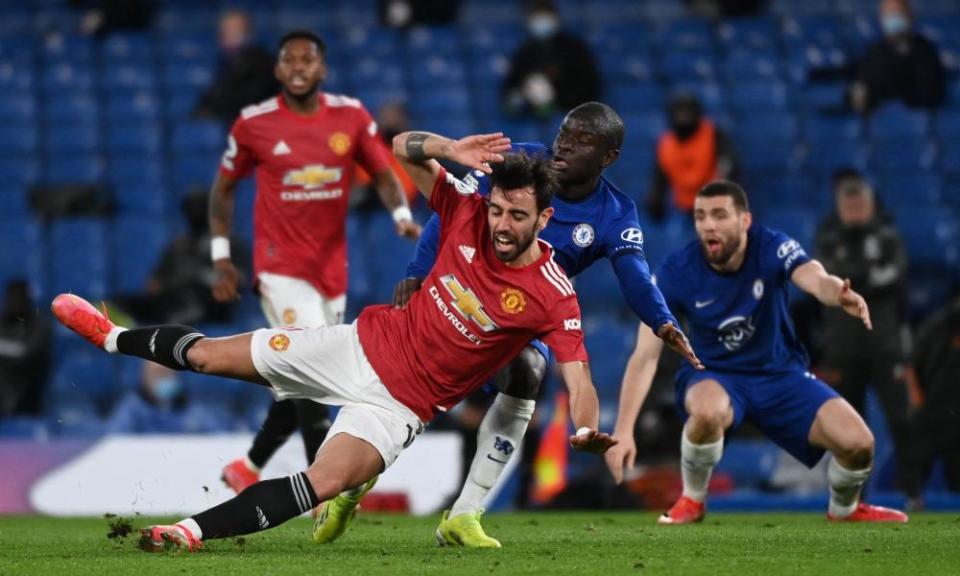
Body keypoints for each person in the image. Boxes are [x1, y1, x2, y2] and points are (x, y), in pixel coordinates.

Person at [51, 134, 616, 552]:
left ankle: (188, 531)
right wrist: (449, 148)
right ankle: (112, 336)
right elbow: (401, 148)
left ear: (544, 219)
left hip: (398, 406)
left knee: (324, 481)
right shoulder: (465, 210)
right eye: (496, 209)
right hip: (354, 346)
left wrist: (586, 428)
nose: (500, 224)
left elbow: (579, 378)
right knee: (205, 355)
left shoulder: (551, 294)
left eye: (517, 216)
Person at [316, 102, 700, 548]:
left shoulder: (615, 213)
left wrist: (661, 320)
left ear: (608, 158)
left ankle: (466, 513)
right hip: (455, 302)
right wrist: (417, 273)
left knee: (529, 373)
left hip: (519, 322)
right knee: (415, 400)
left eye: (583, 140)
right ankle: (351, 488)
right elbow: (449, 210)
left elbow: (634, 276)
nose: (566, 143)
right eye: (565, 132)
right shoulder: (519, 161)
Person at [605, 180, 908, 524]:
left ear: (744, 221)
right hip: (715, 374)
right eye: (701, 216)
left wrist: (837, 293)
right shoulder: (676, 272)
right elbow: (645, 356)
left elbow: (814, 277)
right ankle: (692, 499)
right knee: (705, 412)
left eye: (719, 215)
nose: (708, 225)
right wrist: (624, 429)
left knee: (859, 444)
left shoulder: (772, 247)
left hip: (780, 375)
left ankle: (845, 509)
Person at [208, 30, 420, 496]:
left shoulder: (351, 116)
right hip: (280, 268)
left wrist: (402, 215)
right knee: (308, 367)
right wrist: (222, 257)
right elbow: (223, 190)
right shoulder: (253, 124)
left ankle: (249, 464)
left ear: (322, 69)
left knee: (306, 375)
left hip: (331, 272)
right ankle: (326, 490)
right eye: (290, 60)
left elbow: (384, 172)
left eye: (309, 60)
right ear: (278, 70)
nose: (300, 67)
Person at [814, 170, 913, 495]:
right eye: (849, 207)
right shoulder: (827, 236)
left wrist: (851, 277)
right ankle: (852, 495)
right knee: (847, 427)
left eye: (860, 207)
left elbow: (895, 276)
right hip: (844, 348)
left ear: (871, 207)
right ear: (840, 208)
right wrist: (864, 274)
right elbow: (825, 280)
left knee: (903, 420)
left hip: (885, 345)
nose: (855, 214)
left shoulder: (887, 236)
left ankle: (914, 491)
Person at [112, 192, 248, 326]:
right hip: (174, 297)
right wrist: (159, 288)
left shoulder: (228, 243)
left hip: (210, 303)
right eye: (192, 209)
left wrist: (205, 276)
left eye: (201, 208)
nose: (195, 213)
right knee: (122, 303)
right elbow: (155, 282)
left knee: (190, 302)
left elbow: (238, 280)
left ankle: (174, 327)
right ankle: (122, 335)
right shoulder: (179, 244)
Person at [903, 293, 960, 505]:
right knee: (919, 460)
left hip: (957, 413)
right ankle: (913, 499)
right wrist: (916, 397)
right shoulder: (936, 327)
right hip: (932, 407)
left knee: (956, 469)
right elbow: (911, 364)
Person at [501, 0, 601, 119]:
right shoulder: (524, 52)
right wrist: (526, 94)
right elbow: (510, 90)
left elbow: (590, 87)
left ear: (556, 18)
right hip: (532, 115)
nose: (541, 22)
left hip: (571, 115)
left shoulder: (575, 49)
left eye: (545, 16)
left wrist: (555, 97)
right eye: (536, 17)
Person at [647, 93, 738, 222]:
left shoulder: (713, 134)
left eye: (687, 112)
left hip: (713, 205)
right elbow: (659, 177)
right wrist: (656, 200)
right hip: (683, 209)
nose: (683, 117)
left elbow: (728, 164)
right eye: (679, 112)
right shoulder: (665, 143)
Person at [849, 0, 946, 113]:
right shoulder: (874, 52)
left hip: (914, 122)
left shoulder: (924, 51)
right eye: (888, 14)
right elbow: (860, 87)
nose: (893, 18)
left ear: (910, 16)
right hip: (877, 122)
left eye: (898, 13)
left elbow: (931, 92)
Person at [194, 10, 280, 126]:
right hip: (230, 122)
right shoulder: (222, 61)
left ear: (248, 31)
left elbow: (252, 97)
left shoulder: (263, 61)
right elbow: (212, 96)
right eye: (225, 29)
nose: (228, 33)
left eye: (234, 29)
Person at [105, 363, 223, 434]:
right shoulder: (131, 410)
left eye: (167, 374)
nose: (162, 380)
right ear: (144, 378)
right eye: (157, 375)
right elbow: (114, 441)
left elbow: (217, 439)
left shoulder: (193, 411)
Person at [0, 280, 50, 417]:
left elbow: (27, 351)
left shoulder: (38, 323)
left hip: (29, 386)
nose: (15, 302)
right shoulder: (3, 321)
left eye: (19, 297)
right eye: (12, 297)